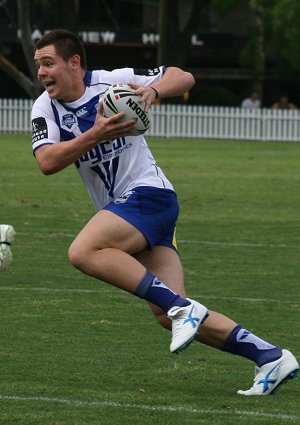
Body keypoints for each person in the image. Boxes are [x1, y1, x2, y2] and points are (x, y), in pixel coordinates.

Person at [31, 29, 299, 396]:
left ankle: (181, 310)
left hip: (150, 195)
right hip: (131, 214)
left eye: (48, 63)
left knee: (82, 251)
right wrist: (95, 134)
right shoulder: (45, 108)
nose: (42, 73)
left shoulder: (113, 83)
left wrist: (153, 90)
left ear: (74, 62)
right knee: (166, 312)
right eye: (38, 66)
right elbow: (46, 162)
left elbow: (184, 76)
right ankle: (270, 356)